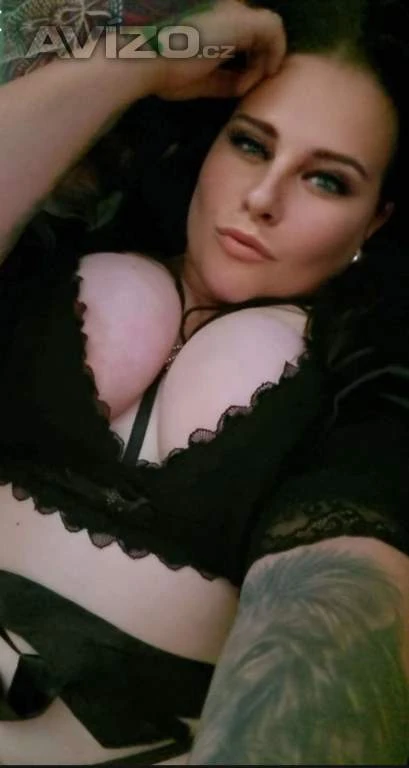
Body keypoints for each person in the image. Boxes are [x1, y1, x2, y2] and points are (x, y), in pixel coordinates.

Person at [0, 0, 408, 764]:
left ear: (374, 221)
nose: (262, 198)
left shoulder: (364, 380)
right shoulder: (48, 255)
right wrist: (144, 61)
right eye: (250, 144)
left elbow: (345, 591)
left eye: (325, 180)